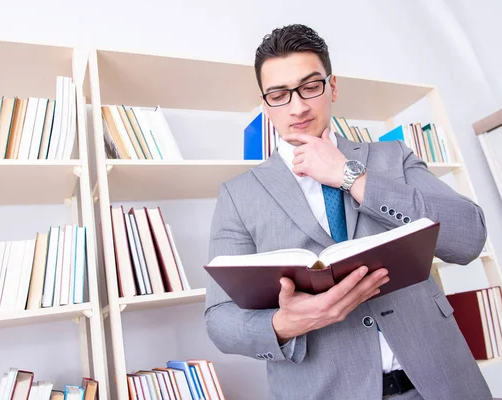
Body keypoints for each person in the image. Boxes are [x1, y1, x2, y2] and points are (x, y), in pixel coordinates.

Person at [203, 24, 492, 400]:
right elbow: (220, 321)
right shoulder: (237, 195)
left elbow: (469, 238)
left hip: (442, 384)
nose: (298, 106)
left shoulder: (393, 157)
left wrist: (350, 176)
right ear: (266, 105)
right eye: (279, 95)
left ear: (332, 87)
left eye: (310, 87)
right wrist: (285, 323)